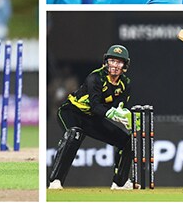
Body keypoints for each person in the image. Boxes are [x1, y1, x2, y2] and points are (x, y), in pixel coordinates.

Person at [48, 45, 134, 190]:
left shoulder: (126, 83)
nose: (115, 65)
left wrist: (124, 116)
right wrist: (112, 113)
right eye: (112, 61)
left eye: (119, 62)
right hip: (72, 112)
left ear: (124, 65)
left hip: (92, 118)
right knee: (74, 134)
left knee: (127, 142)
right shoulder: (95, 77)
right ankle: (55, 181)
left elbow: (120, 106)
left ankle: (120, 183)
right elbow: (95, 105)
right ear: (106, 62)